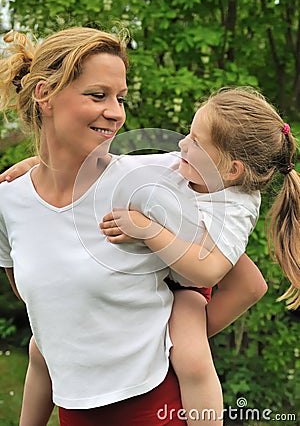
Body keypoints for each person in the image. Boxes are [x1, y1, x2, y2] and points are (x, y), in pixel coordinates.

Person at [0, 27, 267, 426]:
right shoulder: (9, 202)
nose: (116, 112)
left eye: (120, 98)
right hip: (74, 413)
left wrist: (177, 340)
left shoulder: (154, 181)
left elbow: (245, 276)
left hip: (158, 407)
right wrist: (38, 170)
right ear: (44, 95)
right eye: (98, 95)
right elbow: (43, 310)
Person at [99, 87, 300, 425]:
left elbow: (207, 273)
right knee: (39, 348)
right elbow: (111, 167)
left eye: (195, 142)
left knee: (191, 357)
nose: (181, 145)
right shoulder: (184, 166)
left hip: (186, 290)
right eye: (188, 135)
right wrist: (41, 169)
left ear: (231, 170)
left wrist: (145, 227)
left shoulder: (236, 205)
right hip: (146, 277)